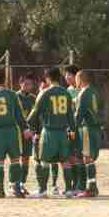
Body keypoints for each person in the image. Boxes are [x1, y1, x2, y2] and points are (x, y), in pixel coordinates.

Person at [0, 68, 32, 198]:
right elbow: (19, 114)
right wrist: (25, 128)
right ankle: (16, 188)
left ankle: (1, 190)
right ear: (5, 79)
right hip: (12, 131)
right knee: (15, 160)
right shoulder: (12, 95)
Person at [27, 67, 75, 198]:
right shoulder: (66, 93)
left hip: (49, 132)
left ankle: (42, 191)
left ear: (48, 78)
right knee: (65, 161)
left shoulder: (44, 93)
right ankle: (69, 190)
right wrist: (73, 129)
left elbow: (35, 112)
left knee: (44, 161)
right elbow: (71, 115)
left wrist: (27, 125)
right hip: (63, 133)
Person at [75, 70, 102, 198]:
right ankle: (92, 186)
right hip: (96, 127)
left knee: (87, 157)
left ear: (80, 79)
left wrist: (72, 128)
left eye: (76, 79)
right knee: (90, 157)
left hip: (87, 128)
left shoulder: (83, 93)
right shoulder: (95, 91)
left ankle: (92, 188)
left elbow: (79, 113)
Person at [64, 64, 87, 194]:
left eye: (69, 75)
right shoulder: (67, 91)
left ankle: (81, 184)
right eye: (65, 75)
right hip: (70, 127)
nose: (66, 77)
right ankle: (73, 184)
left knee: (81, 156)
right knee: (71, 156)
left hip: (81, 128)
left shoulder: (83, 91)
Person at [16, 73, 36, 194]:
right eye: (26, 84)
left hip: (29, 133)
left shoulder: (33, 98)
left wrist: (33, 131)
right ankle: (14, 183)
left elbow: (36, 116)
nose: (29, 86)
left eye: (31, 84)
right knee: (15, 158)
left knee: (26, 159)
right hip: (17, 132)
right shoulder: (15, 97)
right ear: (21, 83)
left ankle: (22, 183)